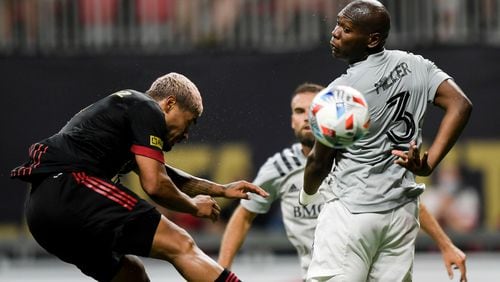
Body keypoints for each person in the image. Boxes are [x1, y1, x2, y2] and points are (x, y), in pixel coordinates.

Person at [11, 72, 269, 282]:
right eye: (189, 122)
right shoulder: (145, 108)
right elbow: (155, 184)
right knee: (180, 243)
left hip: (41, 213)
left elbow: (165, 174)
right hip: (70, 189)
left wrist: (220, 190)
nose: (187, 134)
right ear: (169, 104)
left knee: (131, 275)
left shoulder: (123, 116)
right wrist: (193, 207)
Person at [218, 83, 468, 281]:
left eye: (312, 109)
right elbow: (244, 216)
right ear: (291, 120)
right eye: (298, 111)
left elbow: (401, 200)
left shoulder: (357, 160)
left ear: (329, 114)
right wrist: (222, 273)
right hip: (321, 273)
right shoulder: (279, 168)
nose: (306, 117)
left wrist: (446, 245)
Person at [301, 1, 472, 282]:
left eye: (346, 29)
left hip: (351, 212)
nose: (335, 33)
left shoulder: (341, 93)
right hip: (401, 217)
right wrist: (428, 165)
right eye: (337, 25)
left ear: (372, 39)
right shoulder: (416, 65)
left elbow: (320, 162)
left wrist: (307, 195)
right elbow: (461, 104)